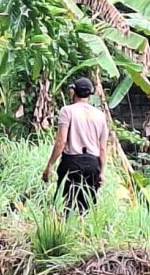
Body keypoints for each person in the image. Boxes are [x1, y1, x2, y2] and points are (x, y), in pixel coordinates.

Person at [43, 77, 110, 212]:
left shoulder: (67, 111)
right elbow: (102, 148)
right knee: (86, 206)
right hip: (92, 164)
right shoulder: (100, 115)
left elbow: (61, 141)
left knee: (67, 204)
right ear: (90, 94)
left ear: (73, 91)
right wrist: (102, 172)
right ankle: (82, 231)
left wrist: (50, 165)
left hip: (71, 163)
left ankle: (66, 231)